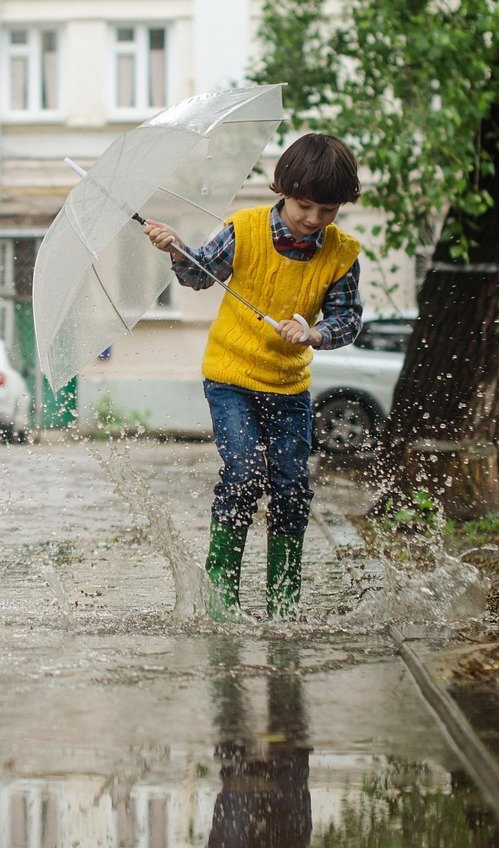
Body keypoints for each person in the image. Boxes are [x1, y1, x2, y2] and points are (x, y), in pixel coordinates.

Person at [143, 132, 363, 621]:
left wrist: (316, 334)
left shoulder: (342, 254)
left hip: (289, 387)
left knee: (291, 488)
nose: (313, 219)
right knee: (243, 476)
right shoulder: (243, 230)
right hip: (231, 379)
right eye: (305, 205)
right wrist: (176, 248)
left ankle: (284, 605)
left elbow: (347, 321)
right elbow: (199, 275)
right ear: (281, 188)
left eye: (327, 210)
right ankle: (222, 602)